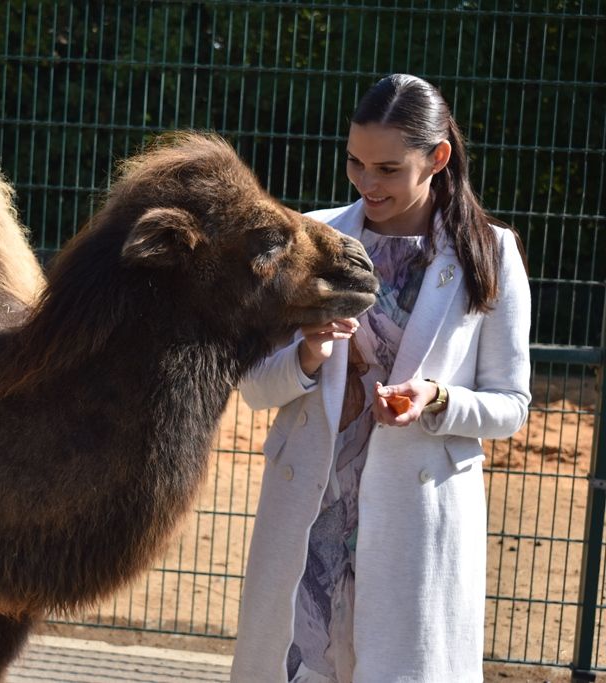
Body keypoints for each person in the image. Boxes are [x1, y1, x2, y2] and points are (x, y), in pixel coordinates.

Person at [230, 74, 531, 683]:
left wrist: (439, 400)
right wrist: (307, 357)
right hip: (313, 516)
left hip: (414, 528)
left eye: (389, 169)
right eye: (355, 163)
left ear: (438, 158)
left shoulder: (490, 254)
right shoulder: (310, 239)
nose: (368, 183)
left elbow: (512, 405)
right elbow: (255, 386)